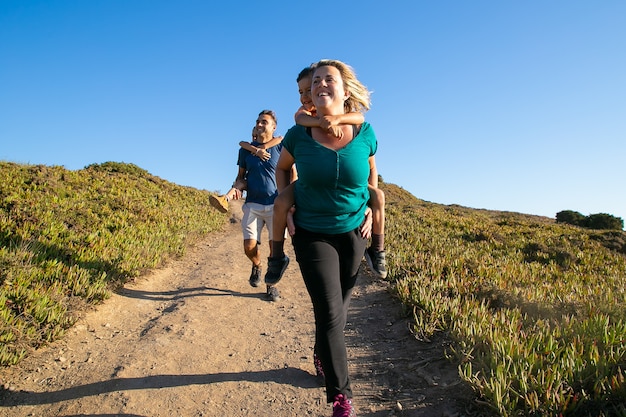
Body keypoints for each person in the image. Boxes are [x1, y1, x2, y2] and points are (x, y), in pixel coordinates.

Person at [272, 59, 377, 417]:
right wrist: (286, 209)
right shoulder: (297, 132)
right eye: (315, 80)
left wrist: (368, 208)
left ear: (345, 90)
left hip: (353, 233)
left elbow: (372, 172)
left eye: (328, 79)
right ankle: (341, 398)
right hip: (312, 232)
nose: (320, 84)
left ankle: (322, 352)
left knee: (340, 309)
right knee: (330, 310)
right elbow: (282, 168)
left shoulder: (365, 133)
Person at [265, 65, 387, 284]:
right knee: (281, 201)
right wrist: (321, 122)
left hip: (348, 195)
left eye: (306, 89)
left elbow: (359, 117)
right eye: (301, 92)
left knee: (378, 197)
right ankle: (276, 256)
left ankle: (377, 250)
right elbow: (299, 119)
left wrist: (337, 120)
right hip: (309, 185)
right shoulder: (306, 114)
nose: (304, 96)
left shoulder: (351, 119)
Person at [223, 110, 293, 302]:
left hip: (276, 205)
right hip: (252, 204)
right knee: (249, 246)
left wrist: (291, 200)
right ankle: (257, 265)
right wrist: (237, 187)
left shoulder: (281, 147)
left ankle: (272, 286)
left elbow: (292, 173)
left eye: (264, 121)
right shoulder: (245, 151)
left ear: (273, 126)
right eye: (258, 121)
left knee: (275, 249)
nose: (260, 124)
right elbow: (240, 177)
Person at [209, 127, 283, 213]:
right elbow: (241, 143)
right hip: (252, 185)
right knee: (241, 183)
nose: (254, 138)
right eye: (253, 136)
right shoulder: (248, 149)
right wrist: (237, 188)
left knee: (241, 183)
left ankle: (226, 198)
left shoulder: (276, 146)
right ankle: (225, 198)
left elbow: (280, 138)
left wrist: (263, 147)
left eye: (256, 136)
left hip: (271, 192)